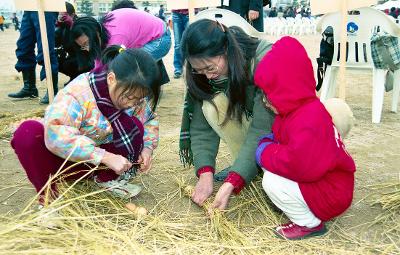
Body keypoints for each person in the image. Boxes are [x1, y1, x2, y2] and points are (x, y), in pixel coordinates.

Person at [11, 46, 161, 203]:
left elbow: (149, 119)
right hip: (66, 161)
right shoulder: (78, 93)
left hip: (96, 164)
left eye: (138, 99)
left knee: (135, 125)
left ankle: (105, 179)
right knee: (27, 133)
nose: (132, 104)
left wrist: (147, 148)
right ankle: (48, 197)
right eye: (129, 97)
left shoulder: (132, 94)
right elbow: (56, 135)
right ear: (111, 79)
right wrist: (104, 156)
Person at [253, 37, 356, 240]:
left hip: (331, 192)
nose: (265, 101)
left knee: (272, 181)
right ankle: (304, 209)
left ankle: (309, 224)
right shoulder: (297, 110)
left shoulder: (308, 119)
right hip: (326, 183)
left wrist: (265, 152)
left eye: (269, 93)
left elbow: (298, 165)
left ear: (286, 89)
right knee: (272, 171)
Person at [179, 19, 275, 210]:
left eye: (210, 68)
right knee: (210, 106)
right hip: (255, 128)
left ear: (225, 49)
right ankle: (253, 166)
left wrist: (233, 181)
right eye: (199, 71)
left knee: (336, 114)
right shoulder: (202, 75)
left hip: (280, 127)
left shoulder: (263, 59)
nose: (207, 76)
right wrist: (205, 173)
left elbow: (262, 128)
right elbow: (201, 127)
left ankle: (264, 167)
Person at [70, 8, 171, 85]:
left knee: (131, 70)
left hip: (160, 38)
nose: (87, 49)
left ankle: (141, 102)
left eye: (87, 43)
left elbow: (115, 67)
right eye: (83, 46)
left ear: (95, 33)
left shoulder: (116, 36)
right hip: (143, 39)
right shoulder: (100, 32)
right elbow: (98, 64)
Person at [8, 10, 59, 104]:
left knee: (45, 49)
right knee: (23, 46)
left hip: (46, 8)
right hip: (30, 7)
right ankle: (29, 88)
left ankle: (52, 91)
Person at [171, 9, 190, 79]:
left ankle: (192, 67)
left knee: (190, 42)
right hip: (176, 13)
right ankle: (178, 68)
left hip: (190, 12)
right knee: (178, 44)